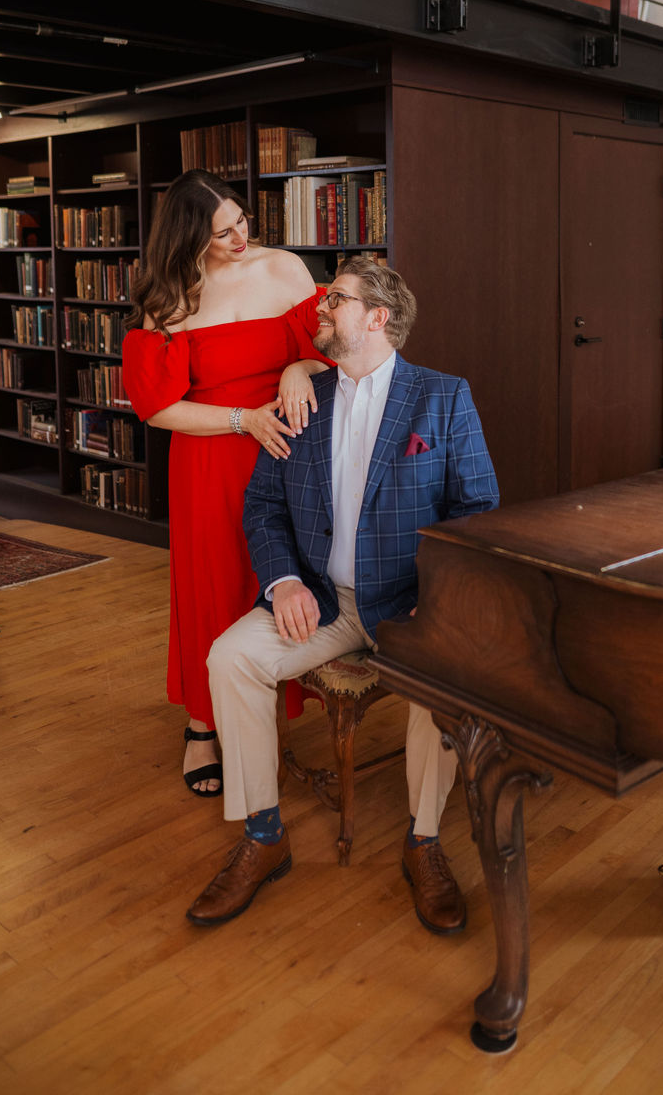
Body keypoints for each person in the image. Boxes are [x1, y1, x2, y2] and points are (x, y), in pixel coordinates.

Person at [186, 258, 499, 932]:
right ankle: (264, 836)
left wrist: (438, 596)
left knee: (443, 680)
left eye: (336, 300)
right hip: (322, 600)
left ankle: (424, 841)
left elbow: (477, 513)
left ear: (377, 317)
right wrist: (284, 581)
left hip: (411, 604)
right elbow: (263, 506)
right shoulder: (304, 399)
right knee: (230, 658)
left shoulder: (443, 397)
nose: (322, 309)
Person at [122, 170, 332, 797]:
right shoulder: (169, 299)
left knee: (280, 572)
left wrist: (298, 368)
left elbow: (332, 347)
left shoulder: (286, 269)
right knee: (211, 584)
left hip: (287, 448)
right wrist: (243, 419)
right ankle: (202, 726)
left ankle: (269, 701)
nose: (240, 238)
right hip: (211, 456)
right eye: (222, 233)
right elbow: (158, 408)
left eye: (241, 220)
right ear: (189, 237)